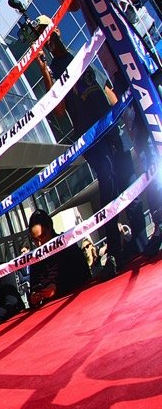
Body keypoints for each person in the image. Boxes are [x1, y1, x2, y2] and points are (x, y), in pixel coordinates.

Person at [26, 15, 150, 270]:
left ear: (56, 29)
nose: (47, 38)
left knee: (127, 179)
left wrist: (120, 114)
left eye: (48, 32)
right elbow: (58, 112)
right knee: (108, 179)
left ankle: (140, 240)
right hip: (91, 135)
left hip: (110, 127)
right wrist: (45, 73)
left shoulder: (80, 53)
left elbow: (101, 87)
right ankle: (115, 250)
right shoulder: (56, 70)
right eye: (42, 36)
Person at [26, 210, 92, 308]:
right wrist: (34, 297)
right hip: (49, 309)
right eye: (35, 240)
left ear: (50, 228)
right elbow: (33, 288)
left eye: (42, 236)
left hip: (75, 303)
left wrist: (58, 288)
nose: (39, 244)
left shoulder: (67, 244)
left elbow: (84, 275)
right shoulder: (36, 257)